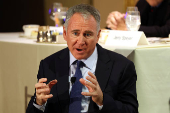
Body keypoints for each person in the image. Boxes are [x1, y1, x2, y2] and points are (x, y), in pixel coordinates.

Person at [26, 4, 138, 113]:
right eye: (75, 33)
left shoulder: (122, 67)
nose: (81, 42)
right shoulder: (48, 65)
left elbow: (131, 110)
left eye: (88, 34)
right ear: (65, 34)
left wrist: (102, 100)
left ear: (98, 36)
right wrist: (39, 103)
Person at [106, 0, 170, 37]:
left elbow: (166, 30)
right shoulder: (142, 3)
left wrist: (127, 29)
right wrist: (116, 19)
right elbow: (128, 19)